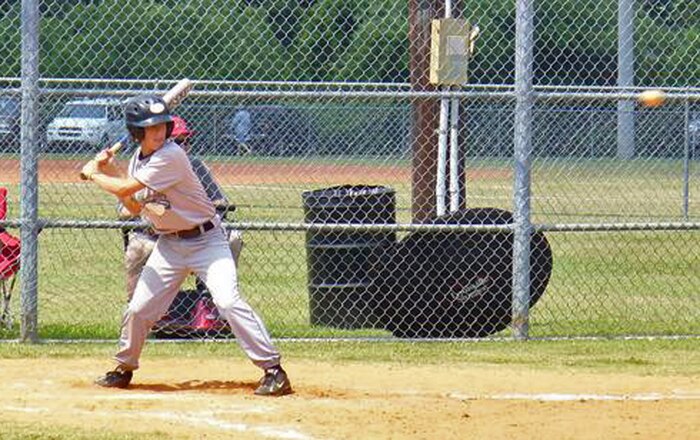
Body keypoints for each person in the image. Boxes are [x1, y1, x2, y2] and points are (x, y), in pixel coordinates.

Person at [81, 95, 291, 396]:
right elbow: (133, 205)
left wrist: (96, 174)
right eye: (150, 128)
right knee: (139, 309)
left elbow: (126, 188)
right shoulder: (138, 160)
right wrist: (112, 170)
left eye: (162, 125)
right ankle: (124, 368)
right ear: (136, 133)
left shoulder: (171, 156)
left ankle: (274, 370)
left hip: (207, 241)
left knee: (228, 302)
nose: (159, 132)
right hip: (170, 245)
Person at [121, 115, 243, 302]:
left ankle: (210, 300)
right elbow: (124, 210)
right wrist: (153, 212)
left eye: (187, 141)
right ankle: (135, 306)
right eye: (177, 142)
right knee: (137, 249)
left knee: (233, 237)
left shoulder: (194, 165)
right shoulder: (141, 165)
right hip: (153, 234)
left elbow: (220, 201)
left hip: (198, 235)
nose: (184, 147)